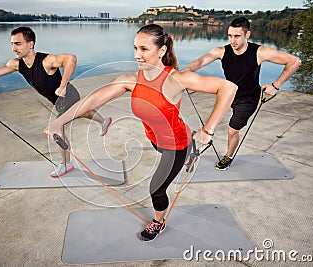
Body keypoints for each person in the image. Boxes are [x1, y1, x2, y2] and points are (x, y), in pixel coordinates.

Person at [44, 24, 237, 241]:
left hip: (176, 144)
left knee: (156, 189)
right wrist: (58, 122)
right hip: (155, 139)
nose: (138, 55)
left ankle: (158, 222)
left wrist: (208, 129)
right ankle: (190, 142)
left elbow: (228, 88)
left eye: (144, 49)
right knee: (161, 149)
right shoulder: (132, 79)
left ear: (161, 51)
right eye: (135, 48)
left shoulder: (176, 79)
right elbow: (94, 99)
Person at [0, 26, 112, 178]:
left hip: (67, 96)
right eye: (12, 44)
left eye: (18, 44)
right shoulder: (17, 64)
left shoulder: (46, 61)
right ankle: (104, 121)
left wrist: (62, 86)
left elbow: (71, 59)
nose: (14, 48)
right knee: (83, 112)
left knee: (57, 130)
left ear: (31, 44)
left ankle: (66, 164)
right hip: (57, 99)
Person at [184, 17, 301, 171]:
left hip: (248, 99)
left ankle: (229, 156)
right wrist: (184, 74)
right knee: (209, 124)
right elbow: (199, 62)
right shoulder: (221, 51)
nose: (233, 40)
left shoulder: (259, 52)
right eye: (230, 36)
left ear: (247, 35)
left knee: (232, 129)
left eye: (237, 36)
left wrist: (276, 85)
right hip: (229, 95)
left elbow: (294, 61)